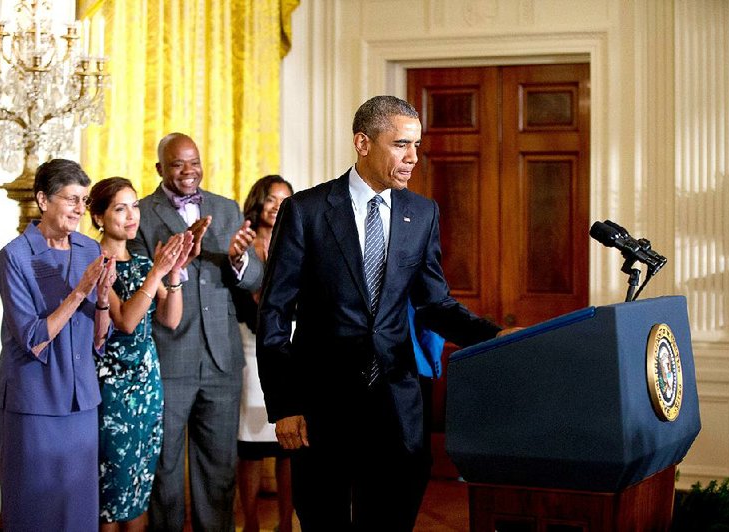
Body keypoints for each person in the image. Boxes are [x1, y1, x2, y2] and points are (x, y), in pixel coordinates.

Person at [257, 95, 519, 531]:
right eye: (401, 145)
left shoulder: (422, 212)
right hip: (323, 408)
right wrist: (284, 405)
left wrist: (495, 338)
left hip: (398, 406)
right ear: (363, 142)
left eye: (416, 146)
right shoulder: (305, 211)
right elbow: (275, 315)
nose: (413, 157)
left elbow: (435, 303)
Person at [128, 133, 264, 531]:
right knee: (165, 470)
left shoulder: (225, 209)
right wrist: (174, 262)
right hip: (168, 356)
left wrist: (240, 259)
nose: (188, 172)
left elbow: (254, 277)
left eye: (194, 162)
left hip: (222, 359)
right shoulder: (142, 214)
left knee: (218, 472)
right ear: (159, 169)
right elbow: (137, 283)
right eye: (177, 164)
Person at [0, 158, 115, 531]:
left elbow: (100, 338)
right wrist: (81, 291)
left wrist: (102, 299)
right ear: (43, 200)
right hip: (35, 402)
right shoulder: (14, 256)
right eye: (72, 200)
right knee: (34, 510)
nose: (81, 209)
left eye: (84, 200)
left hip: (81, 401)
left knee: (78, 512)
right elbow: (32, 338)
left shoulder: (89, 250)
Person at [88, 177, 195, 531]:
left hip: (148, 385)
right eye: (120, 208)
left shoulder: (141, 261)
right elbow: (126, 322)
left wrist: (175, 273)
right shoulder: (95, 262)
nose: (132, 215)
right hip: (113, 389)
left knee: (139, 486)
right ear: (99, 216)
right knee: (113, 490)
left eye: (134, 206)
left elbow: (170, 318)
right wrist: (158, 272)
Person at [236, 175, 295, 532]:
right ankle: (252, 523)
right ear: (258, 202)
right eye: (271, 199)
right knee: (251, 445)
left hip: (288, 346)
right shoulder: (240, 243)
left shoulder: (295, 241)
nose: (276, 207)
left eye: (284, 200)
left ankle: (287, 522)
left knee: (289, 443)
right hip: (246, 346)